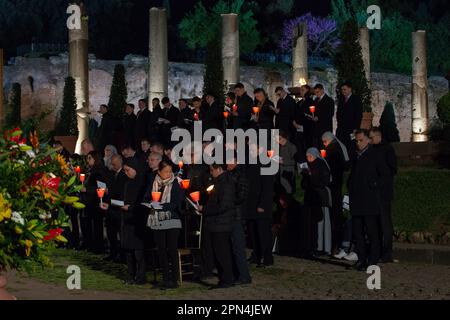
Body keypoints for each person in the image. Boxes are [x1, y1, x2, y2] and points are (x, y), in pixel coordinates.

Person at [101, 157, 147, 284]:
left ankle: (141, 276)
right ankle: (130, 275)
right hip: (125, 220)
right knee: (128, 250)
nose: (126, 173)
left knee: (138, 251)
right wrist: (109, 205)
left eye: (128, 170)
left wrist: (131, 207)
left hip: (136, 221)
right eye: (125, 170)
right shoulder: (127, 183)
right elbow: (122, 200)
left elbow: (144, 203)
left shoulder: (142, 183)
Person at [348, 129, 390, 271]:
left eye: (361, 140)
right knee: (358, 232)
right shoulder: (356, 156)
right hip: (357, 199)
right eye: (357, 141)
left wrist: (374, 183)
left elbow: (385, 175)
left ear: (367, 140)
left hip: (370, 199)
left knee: (372, 232)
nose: (358, 143)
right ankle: (361, 259)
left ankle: (372, 260)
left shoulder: (375, 155)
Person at [146, 161, 183, 289]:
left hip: (172, 219)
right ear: (159, 172)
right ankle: (166, 279)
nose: (168, 174)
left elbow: (176, 203)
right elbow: (146, 197)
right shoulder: (154, 182)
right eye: (166, 171)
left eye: (170, 171)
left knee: (172, 249)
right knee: (161, 250)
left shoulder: (175, 184)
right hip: (157, 220)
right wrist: (149, 203)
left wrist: (160, 206)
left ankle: (175, 279)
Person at [199, 164, 236, 288]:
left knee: (222, 252)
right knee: (219, 252)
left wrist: (205, 209)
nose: (210, 173)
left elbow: (223, 206)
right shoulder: (220, 182)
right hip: (217, 222)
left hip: (222, 223)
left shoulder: (226, 183)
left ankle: (227, 279)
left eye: (212, 170)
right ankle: (224, 278)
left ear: (219, 169)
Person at [369, 127, 397, 263]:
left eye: (372, 137)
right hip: (374, 191)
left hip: (383, 191)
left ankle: (386, 252)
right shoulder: (373, 150)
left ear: (378, 136)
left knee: (385, 222)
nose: (370, 140)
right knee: (375, 222)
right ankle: (377, 249)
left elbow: (391, 170)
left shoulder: (387, 149)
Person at [246, 144, 275, 267]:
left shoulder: (266, 163)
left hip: (261, 204)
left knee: (263, 232)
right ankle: (257, 255)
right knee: (253, 231)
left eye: (253, 148)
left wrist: (262, 204)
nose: (251, 151)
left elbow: (267, 186)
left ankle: (266, 257)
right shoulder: (250, 163)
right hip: (251, 203)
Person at [322, 132, 350, 256]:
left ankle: (334, 245)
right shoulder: (338, 148)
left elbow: (330, 170)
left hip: (333, 187)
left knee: (334, 216)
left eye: (324, 142)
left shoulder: (332, 151)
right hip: (337, 186)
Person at [301, 148, 332, 256]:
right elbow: (304, 184)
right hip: (311, 198)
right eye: (307, 157)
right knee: (312, 223)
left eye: (310, 156)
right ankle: (313, 245)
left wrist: (311, 176)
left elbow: (324, 181)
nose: (309, 159)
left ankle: (324, 247)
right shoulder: (308, 166)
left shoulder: (321, 164)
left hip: (320, 198)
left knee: (322, 222)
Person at [227, 159, 252, 285]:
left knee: (238, 247)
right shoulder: (228, 174)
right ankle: (236, 274)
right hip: (229, 215)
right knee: (232, 247)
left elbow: (242, 196)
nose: (228, 163)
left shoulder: (241, 175)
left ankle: (244, 276)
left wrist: (227, 201)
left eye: (231, 161)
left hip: (236, 216)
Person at [80, 151, 108, 253]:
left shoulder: (99, 171)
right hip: (89, 202)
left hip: (96, 202)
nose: (88, 160)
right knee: (89, 224)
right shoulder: (90, 170)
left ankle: (98, 246)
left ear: (95, 159)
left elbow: (101, 188)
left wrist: (87, 190)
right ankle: (91, 244)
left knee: (97, 225)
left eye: (90, 158)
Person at [103, 154, 127, 262]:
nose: (113, 165)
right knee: (111, 233)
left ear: (120, 162)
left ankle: (122, 256)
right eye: (112, 163)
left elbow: (122, 193)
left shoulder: (124, 175)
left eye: (115, 163)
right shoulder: (111, 174)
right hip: (110, 208)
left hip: (119, 208)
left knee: (121, 234)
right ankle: (113, 253)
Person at [336, 82, 363, 150]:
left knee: (351, 146)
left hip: (351, 129)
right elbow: (338, 113)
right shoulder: (341, 99)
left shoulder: (356, 99)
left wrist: (355, 128)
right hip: (341, 129)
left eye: (344, 89)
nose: (343, 91)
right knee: (341, 146)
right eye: (342, 90)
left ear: (350, 89)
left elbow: (358, 115)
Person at [310, 84, 335, 148]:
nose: (316, 94)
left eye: (317, 92)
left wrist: (319, 118)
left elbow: (330, 114)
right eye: (315, 92)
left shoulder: (329, 100)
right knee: (317, 147)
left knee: (325, 148)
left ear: (322, 90)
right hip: (316, 129)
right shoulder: (315, 100)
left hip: (325, 128)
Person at [293, 85, 314, 160]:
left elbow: (310, 115)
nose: (301, 91)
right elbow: (295, 113)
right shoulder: (299, 102)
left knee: (306, 147)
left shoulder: (311, 102)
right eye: (300, 90)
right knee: (299, 147)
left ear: (307, 91)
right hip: (298, 128)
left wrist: (302, 124)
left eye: (303, 90)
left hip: (307, 129)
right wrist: (294, 122)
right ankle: (301, 165)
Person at [277, 131, 297, 195]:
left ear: (284, 137)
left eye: (279, 139)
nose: (278, 141)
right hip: (281, 170)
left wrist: (283, 161)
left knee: (289, 190)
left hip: (289, 171)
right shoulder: (279, 147)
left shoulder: (292, 146)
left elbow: (294, 161)